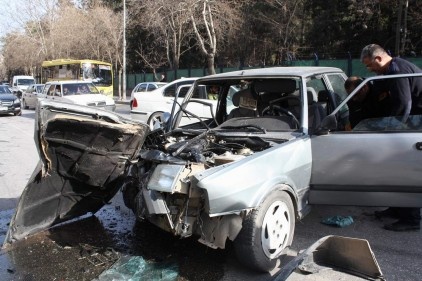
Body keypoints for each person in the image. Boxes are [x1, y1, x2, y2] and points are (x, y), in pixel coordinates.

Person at [361, 43, 422, 231]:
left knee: (405, 172)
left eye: (370, 65)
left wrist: (391, 131)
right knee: (396, 171)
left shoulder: (397, 70)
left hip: (412, 128)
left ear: (378, 58)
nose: (370, 69)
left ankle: (411, 219)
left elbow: (404, 105)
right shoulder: (392, 70)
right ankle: (397, 209)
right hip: (411, 124)